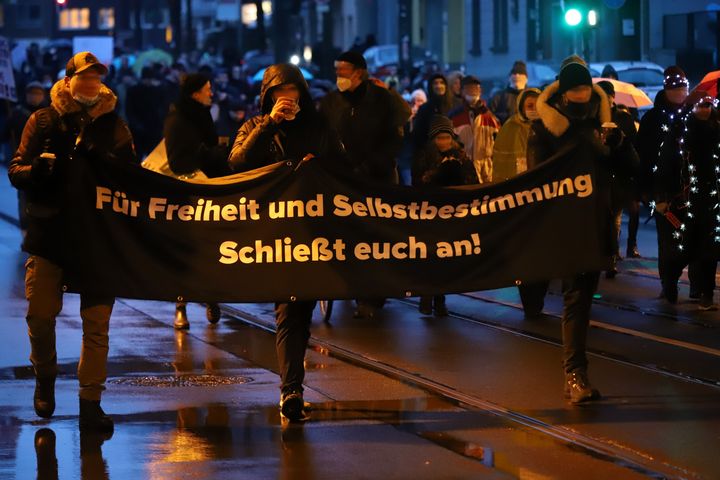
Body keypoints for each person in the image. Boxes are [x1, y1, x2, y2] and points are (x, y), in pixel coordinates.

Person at [8, 51, 137, 430]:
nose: (91, 83)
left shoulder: (114, 125)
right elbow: (16, 168)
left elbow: (134, 176)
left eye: (96, 77)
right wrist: (37, 170)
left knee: (97, 326)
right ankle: (44, 376)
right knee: (40, 316)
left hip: (96, 240)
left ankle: (90, 403)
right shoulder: (44, 119)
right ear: (68, 81)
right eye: (84, 77)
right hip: (50, 237)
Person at [228, 63, 343, 421]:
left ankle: (292, 387)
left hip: (311, 235)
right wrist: (271, 124)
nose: (287, 99)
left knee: (299, 310)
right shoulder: (255, 126)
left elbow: (344, 167)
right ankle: (291, 388)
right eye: (280, 93)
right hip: (272, 237)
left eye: (292, 92)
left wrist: (318, 167)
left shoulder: (318, 126)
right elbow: (238, 162)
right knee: (287, 310)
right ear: (269, 97)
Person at [521, 60, 612, 404]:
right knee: (575, 299)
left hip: (596, 222)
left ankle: (576, 374)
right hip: (566, 225)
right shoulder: (544, 130)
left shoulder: (600, 125)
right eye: (575, 89)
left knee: (584, 298)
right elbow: (537, 182)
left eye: (586, 89)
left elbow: (625, 169)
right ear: (562, 92)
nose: (581, 94)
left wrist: (618, 144)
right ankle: (575, 375)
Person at [319, 51, 405, 318]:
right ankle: (355, 288)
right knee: (349, 238)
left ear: (358, 72)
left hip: (376, 178)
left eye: (342, 71)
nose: (338, 76)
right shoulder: (331, 102)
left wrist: (375, 162)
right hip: (342, 180)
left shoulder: (381, 100)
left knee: (376, 237)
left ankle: (373, 293)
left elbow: (394, 137)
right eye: (336, 71)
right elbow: (322, 136)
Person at [164, 72, 231, 329]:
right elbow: (179, 159)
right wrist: (212, 154)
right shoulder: (178, 119)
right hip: (187, 195)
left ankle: (210, 295)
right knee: (186, 251)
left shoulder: (202, 114)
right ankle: (181, 305)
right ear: (195, 93)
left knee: (211, 248)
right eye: (207, 88)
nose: (211, 93)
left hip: (210, 191)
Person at [412, 115, 478, 316]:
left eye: (446, 138)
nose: (443, 142)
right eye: (439, 138)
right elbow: (417, 183)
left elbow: (472, 182)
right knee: (430, 256)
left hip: (451, 215)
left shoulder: (460, 155)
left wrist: (455, 171)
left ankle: (440, 299)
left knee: (445, 257)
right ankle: (427, 296)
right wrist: (437, 172)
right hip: (429, 213)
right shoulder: (424, 155)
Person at [637, 66, 691, 303]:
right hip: (663, 191)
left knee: (693, 239)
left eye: (683, 88)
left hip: (691, 189)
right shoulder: (653, 118)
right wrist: (647, 190)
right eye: (676, 89)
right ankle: (668, 283)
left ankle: (698, 285)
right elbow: (643, 154)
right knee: (668, 241)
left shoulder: (693, 115)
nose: (680, 93)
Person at [596, 81, 642, 277]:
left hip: (620, 177)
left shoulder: (623, 118)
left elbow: (633, 150)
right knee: (604, 221)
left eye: (609, 96)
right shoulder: (592, 118)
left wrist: (620, 140)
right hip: (598, 177)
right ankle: (606, 256)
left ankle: (612, 258)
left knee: (614, 219)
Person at [3, 81, 47, 235]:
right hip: (23, 163)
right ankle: (26, 232)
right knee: (24, 198)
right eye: (31, 93)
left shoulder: (50, 113)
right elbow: (4, 136)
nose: (34, 97)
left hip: (44, 164)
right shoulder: (16, 113)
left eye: (37, 94)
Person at [448, 75, 500, 184]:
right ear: (462, 92)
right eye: (468, 89)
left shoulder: (490, 117)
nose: (472, 92)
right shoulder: (454, 116)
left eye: (476, 88)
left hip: (487, 171)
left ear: (480, 91)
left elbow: (499, 145)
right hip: (463, 170)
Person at [491, 88, 541, 182]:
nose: (535, 109)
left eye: (538, 105)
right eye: (530, 106)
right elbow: (503, 164)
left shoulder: (546, 126)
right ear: (521, 107)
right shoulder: (510, 127)